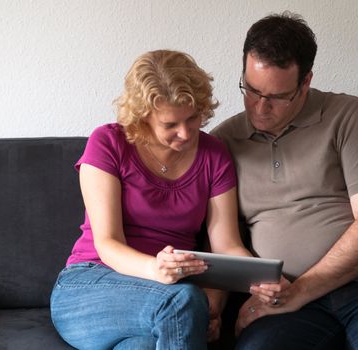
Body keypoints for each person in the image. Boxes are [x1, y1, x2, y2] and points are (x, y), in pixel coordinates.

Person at [211, 12, 358, 350]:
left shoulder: (348, 115)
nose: (260, 108)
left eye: (276, 97)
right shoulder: (224, 142)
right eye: (251, 89)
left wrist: (300, 291)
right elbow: (211, 235)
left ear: (305, 82)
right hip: (284, 299)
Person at [50, 50, 252, 350]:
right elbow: (107, 243)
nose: (185, 133)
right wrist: (155, 271)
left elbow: (226, 246)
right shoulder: (108, 143)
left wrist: (256, 282)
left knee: (148, 342)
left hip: (166, 298)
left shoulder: (213, 155)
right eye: (170, 125)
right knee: (182, 300)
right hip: (90, 284)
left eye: (193, 118)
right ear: (143, 117)